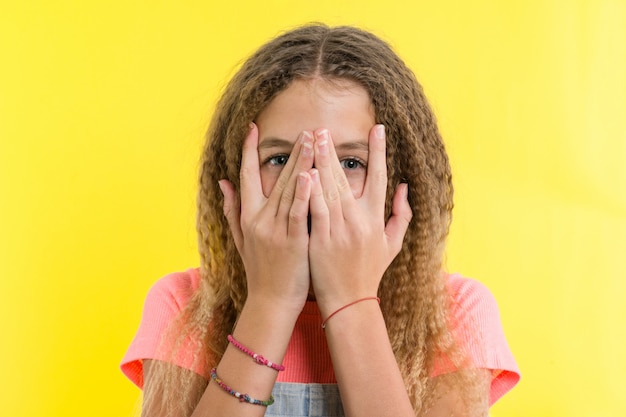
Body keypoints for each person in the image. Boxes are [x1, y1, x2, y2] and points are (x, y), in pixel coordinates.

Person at [121, 24, 520, 417]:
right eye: (279, 159)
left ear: (399, 182)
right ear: (235, 180)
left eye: (349, 162)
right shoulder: (183, 308)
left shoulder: (455, 314)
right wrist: (271, 301)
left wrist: (351, 300)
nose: (311, 186)